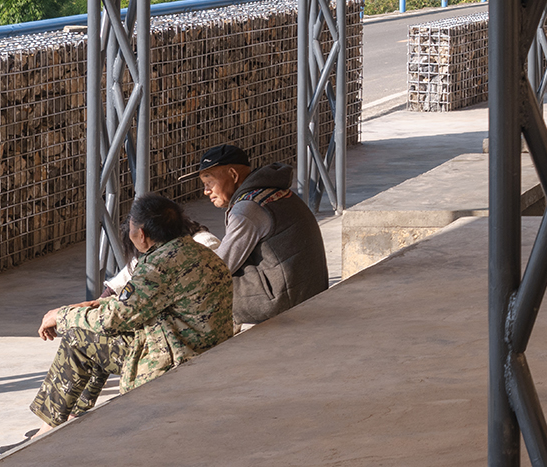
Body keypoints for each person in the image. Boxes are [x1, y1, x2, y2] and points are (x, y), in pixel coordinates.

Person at [31, 194, 232, 427]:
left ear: (141, 235)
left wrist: (62, 315)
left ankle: (46, 429)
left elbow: (114, 320)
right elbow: (142, 303)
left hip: (177, 360)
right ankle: (72, 416)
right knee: (93, 334)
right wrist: (96, 305)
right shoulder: (196, 252)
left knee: (80, 336)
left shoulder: (159, 265)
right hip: (206, 350)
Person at [195, 144, 330, 324]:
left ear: (234, 175)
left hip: (285, 301)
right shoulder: (272, 190)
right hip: (308, 290)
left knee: (198, 285)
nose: (206, 191)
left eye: (209, 182)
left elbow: (220, 267)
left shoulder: (247, 208)